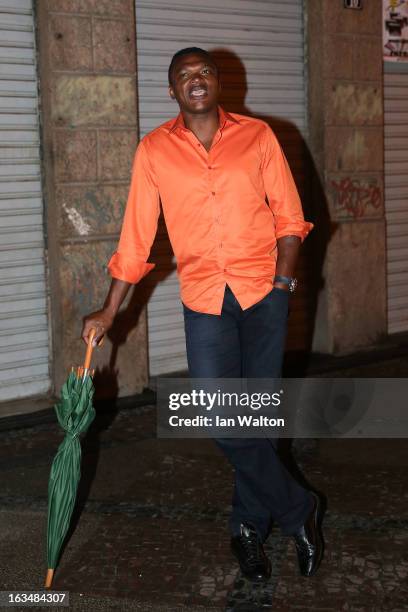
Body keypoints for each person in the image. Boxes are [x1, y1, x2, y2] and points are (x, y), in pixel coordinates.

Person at [82, 47, 324, 581]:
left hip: (264, 293)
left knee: (257, 418)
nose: (197, 79)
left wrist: (283, 283)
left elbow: (289, 214)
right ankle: (297, 508)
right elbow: (135, 239)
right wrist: (109, 309)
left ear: (220, 83)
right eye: (185, 75)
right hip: (205, 302)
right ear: (172, 90)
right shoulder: (153, 151)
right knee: (219, 415)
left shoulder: (259, 136)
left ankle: (247, 528)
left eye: (205, 71)